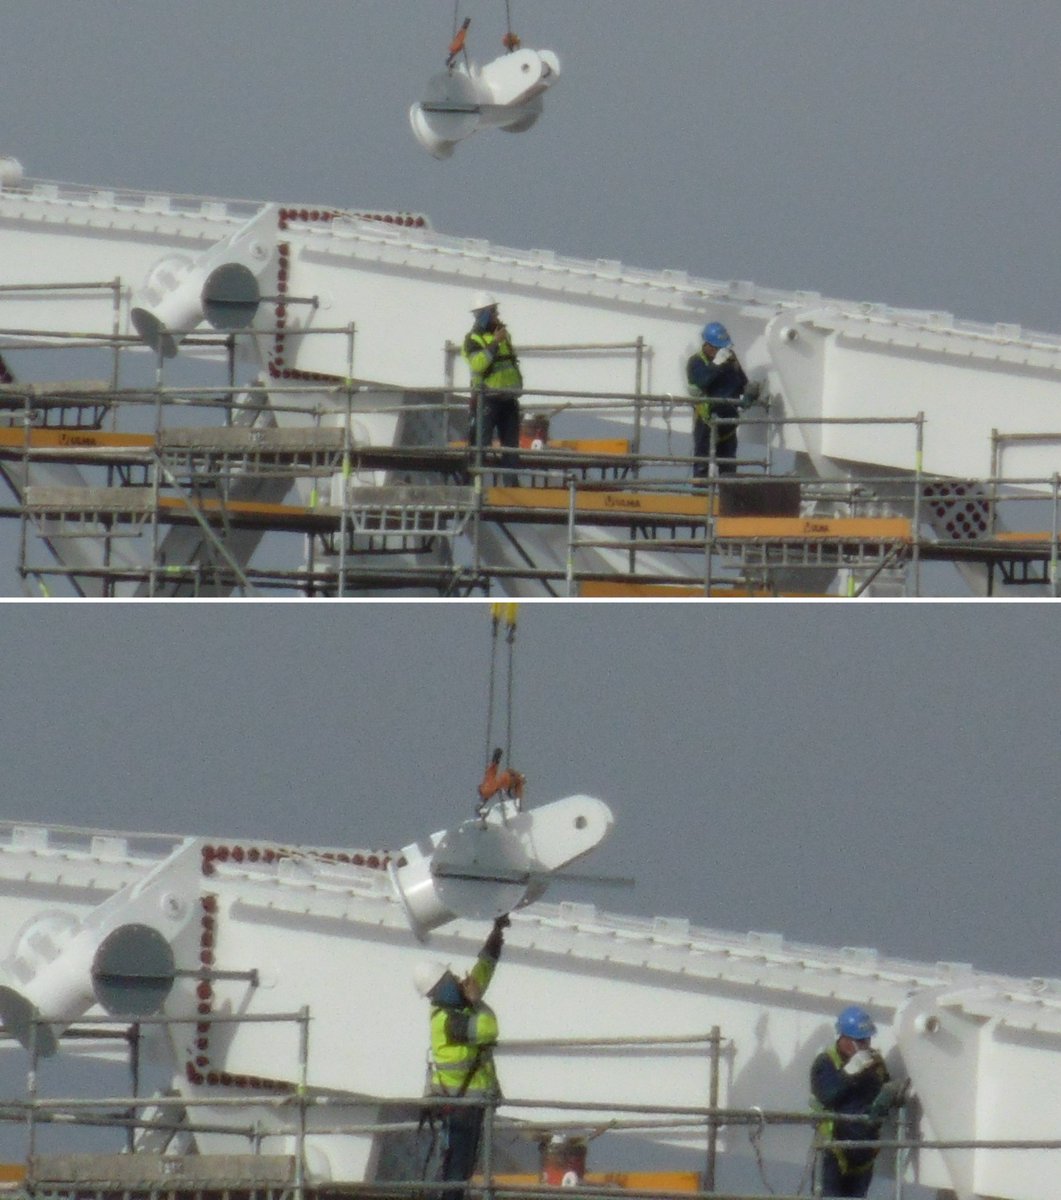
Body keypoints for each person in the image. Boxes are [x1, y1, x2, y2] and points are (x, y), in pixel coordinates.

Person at [415, 915, 510, 1200]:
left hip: (467, 1106)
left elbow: (483, 971)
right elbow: (489, 1029)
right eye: (450, 978)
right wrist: (477, 1001)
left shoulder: (456, 1007)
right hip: (460, 1108)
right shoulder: (447, 1021)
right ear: (438, 989)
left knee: (461, 1169)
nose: (457, 980)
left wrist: (495, 937)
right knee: (457, 1172)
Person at [810, 1005, 907, 1197]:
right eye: (860, 1041)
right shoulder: (826, 1062)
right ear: (845, 1039)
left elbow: (882, 1092)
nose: (865, 1045)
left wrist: (892, 1094)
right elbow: (826, 1096)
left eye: (867, 1040)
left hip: (864, 1151)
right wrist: (849, 1073)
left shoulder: (875, 1063)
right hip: (833, 1151)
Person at [462, 292, 523, 479]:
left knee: (510, 449)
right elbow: (479, 364)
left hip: (508, 400)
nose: (497, 315)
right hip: (487, 400)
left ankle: (512, 488)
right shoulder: (473, 340)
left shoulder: (505, 336)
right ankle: (472, 487)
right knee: (480, 446)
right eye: (493, 311)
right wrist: (495, 343)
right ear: (484, 314)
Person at [685, 321, 756, 478]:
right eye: (719, 347)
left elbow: (741, 381)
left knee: (728, 464)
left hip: (729, 420)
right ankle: (700, 498)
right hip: (707, 420)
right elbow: (702, 382)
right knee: (702, 463)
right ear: (709, 345)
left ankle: (726, 499)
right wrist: (717, 365)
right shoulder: (696, 361)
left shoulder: (731, 360)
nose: (723, 350)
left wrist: (748, 394)